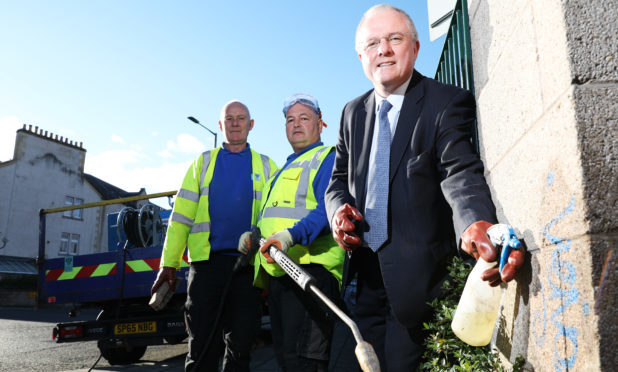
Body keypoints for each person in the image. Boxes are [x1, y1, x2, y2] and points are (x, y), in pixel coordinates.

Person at [324, 4, 526, 371]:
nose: (383, 49)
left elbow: (459, 171)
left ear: (415, 48)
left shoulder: (444, 103)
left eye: (394, 39)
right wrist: (338, 210)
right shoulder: (351, 114)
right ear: (361, 56)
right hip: (363, 282)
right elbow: (337, 181)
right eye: (372, 43)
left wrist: (474, 223)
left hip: (418, 286)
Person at [151, 100, 277, 371]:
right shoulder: (203, 163)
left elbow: (274, 220)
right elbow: (180, 218)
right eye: (229, 118)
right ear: (221, 125)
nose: (234, 123)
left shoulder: (268, 167)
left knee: (240, 349)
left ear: (251, 125)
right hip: (207, 267)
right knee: (202, 349)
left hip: (247, 271)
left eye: (241, 118)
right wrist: (168, 264)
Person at [239, 94, 344, 371]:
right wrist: (254, 234)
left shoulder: (327, 158)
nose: (296, 124)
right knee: (288, 361)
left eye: (304, 118)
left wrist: (291, 237)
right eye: (290, 120)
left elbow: (328, 209)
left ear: (321, 124)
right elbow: (272, 218)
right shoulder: (279, 171)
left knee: (307, 363)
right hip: (281, 277)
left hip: (312, 275)